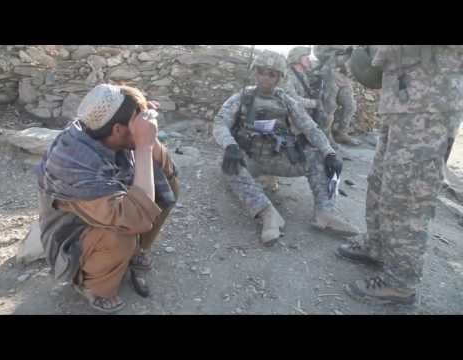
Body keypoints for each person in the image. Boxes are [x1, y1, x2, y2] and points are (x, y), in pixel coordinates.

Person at [337, 45, 463, 305]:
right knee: (381, 183)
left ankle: (400, 282)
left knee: (407, 195)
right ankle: (377, 246)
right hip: (400, 101)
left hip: (430, 101)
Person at [36, 84, 179, 313]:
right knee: (122, 232)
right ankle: (94, 286)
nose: (145, 123)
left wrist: (141, 118)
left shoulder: (99, 127)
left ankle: (135, 252)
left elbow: (165, 175)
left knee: (163, 173)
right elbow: (138, 218)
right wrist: (143, 144)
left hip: (102, 204)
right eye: (137, 120)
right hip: (72, 233)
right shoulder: (74, 164)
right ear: (118, 130)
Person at [213, 49, 359, 247]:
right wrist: (230, 145)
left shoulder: (286, 100)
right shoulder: (242, 97)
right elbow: (220, 122)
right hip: (251, 159)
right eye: (261, 72)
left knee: (321, 158)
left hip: (280, 157)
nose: (265, 78)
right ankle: (267, 213)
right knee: (228, 165)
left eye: (271, 74)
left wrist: (329, 152)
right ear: (254, 72)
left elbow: (310, 127)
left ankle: (325, 213)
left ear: (279, 77)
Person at [313, 45, 360, 146]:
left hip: (344, 75)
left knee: (350, 105)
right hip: (329, 72)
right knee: (329, 107)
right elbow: (318, 52)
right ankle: (326, 136)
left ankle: (342, 133)